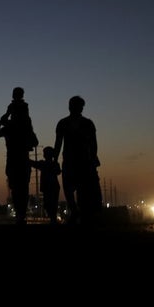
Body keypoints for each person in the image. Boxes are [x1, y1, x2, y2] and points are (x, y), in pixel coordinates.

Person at [0, 87, 38, 225]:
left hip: (14, 161)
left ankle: (20, 216)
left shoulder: (9, 127)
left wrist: (1, 121)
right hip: (22, 161)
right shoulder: (23, 127)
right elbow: (35, 142)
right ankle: (21, 216)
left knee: (17, 190)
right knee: (22, 189)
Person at [53, 95, 102, 225]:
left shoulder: (87, 123)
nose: (77, 108)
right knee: (68, 189)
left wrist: (92, 158)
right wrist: (55, 160)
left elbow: (93, 144)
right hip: (70, 161)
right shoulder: (63, 123)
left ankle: (80, 214)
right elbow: (58, 143)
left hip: (83, 162)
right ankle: (75, 211)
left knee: (81, 190)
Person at [29, 146, 61, 224]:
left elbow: (33, 163)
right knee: (52, 205)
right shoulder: (54, 164)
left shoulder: (44, 164)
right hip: (54, 187)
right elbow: (58, 171)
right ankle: (53, 220)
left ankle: (53, 220)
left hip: (49, 188)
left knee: (49, 205)